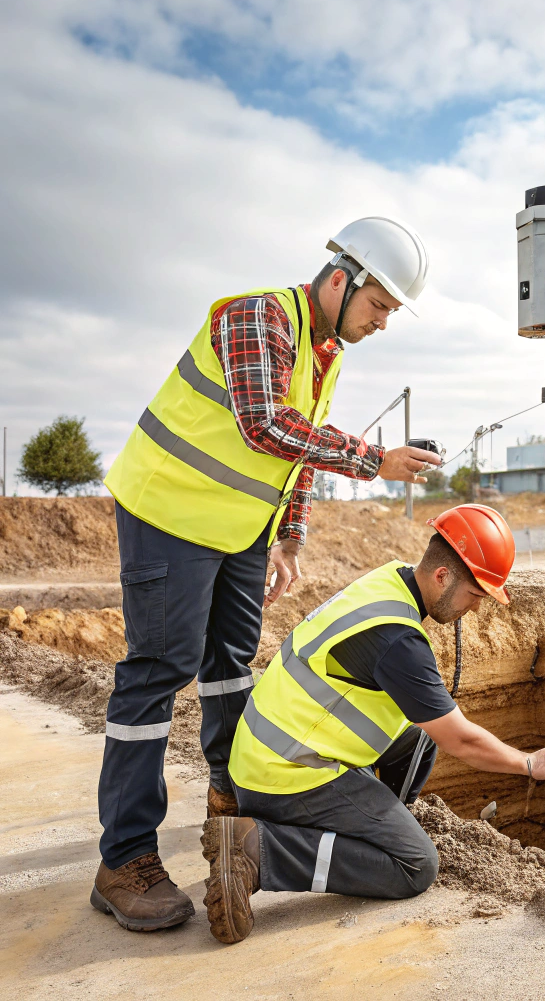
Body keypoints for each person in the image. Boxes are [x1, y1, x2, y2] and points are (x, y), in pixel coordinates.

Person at [91, 217, 443, 932]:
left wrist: (288, 536)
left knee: (230, 664)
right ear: (341, 279)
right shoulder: (258, 318)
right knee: (160, 670)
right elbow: (266, 425)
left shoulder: (325, 351)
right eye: (379, 305)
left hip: (240, 530)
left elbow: (294, 454)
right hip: (169, 510)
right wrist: (375, 461)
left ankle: (231, 802)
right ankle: (123, 859)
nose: (382, 322)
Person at [202, 504, 545, 944]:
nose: (475, 608)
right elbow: (462, 740)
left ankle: (366, 830)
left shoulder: (389, 582)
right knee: (416, 865)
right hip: (286, 774)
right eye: (475, 594)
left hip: (270, 751)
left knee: (418, 742)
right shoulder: (397, 639)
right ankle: (260, 849)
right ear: (442, 576)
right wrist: (529, 763)